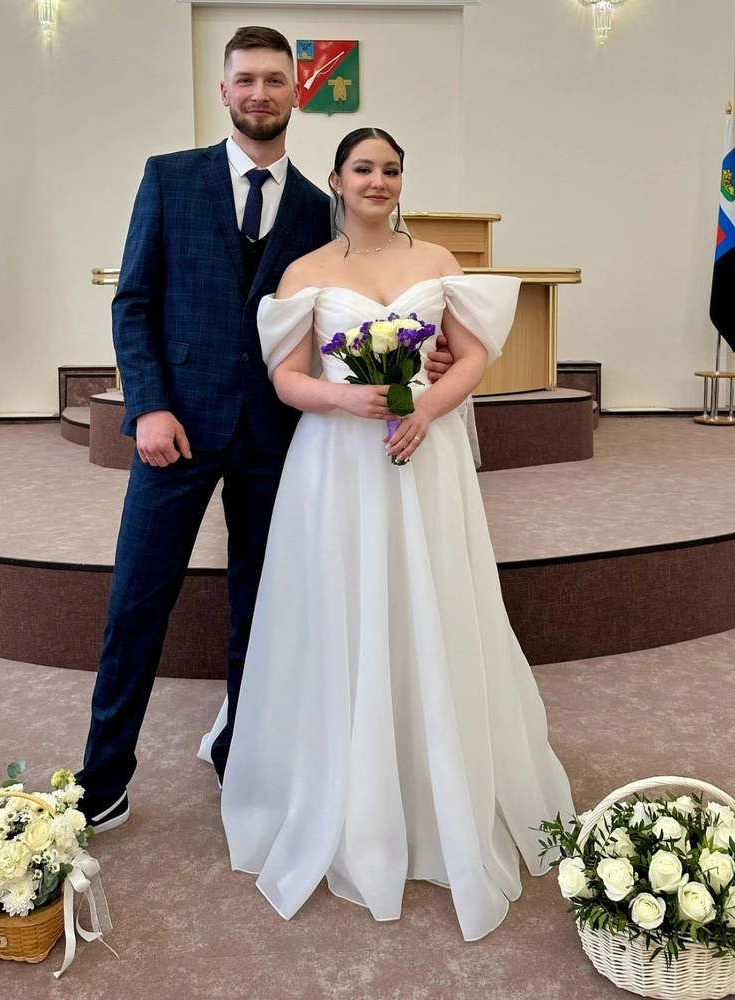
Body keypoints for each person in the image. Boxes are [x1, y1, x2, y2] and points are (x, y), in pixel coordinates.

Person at [78, 29, 452, 832]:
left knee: (261, 605)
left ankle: (240, 754)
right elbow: (133, 302)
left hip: (278, 437)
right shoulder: (170, 177)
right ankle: (102, 775)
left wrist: (425, 354)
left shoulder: (322, 210)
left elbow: (350, 316)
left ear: (295, 92)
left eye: (275, 80)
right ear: (224, 91)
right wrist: (148, 406)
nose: (259, 93)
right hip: (175, 427)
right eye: (245, 79)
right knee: (137, 600)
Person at [214, 127, 575, 941]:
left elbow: (473, 355)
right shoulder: (307, 270)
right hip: (337, 461)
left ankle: (434, 774)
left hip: (425, 449)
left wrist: (426, 409)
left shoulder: (438, 261)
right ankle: (345, 783)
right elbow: (286, 376)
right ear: (336, 181)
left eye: (390, 169)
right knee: (345, 602)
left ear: (401, 181)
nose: (377, 181)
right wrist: (348, 398)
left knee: (430, 598)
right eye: (363, 169)